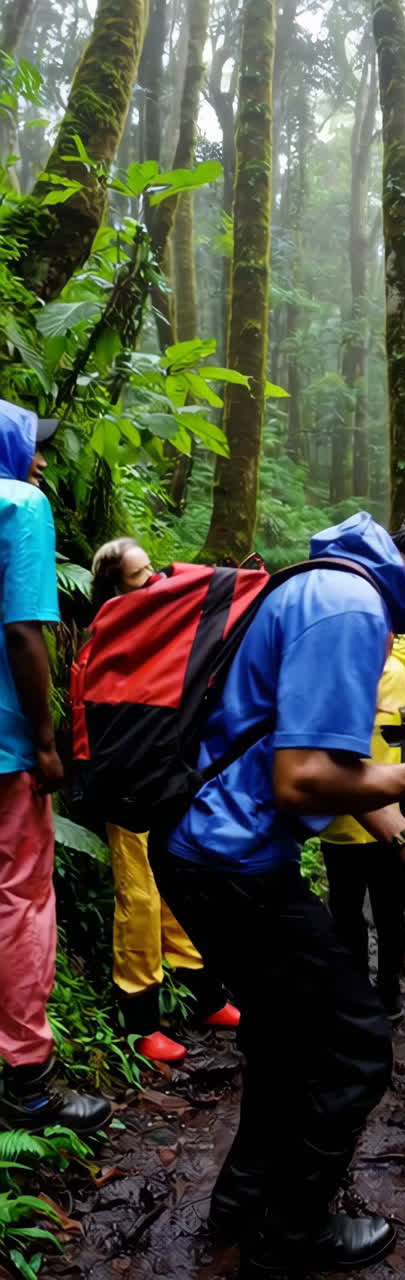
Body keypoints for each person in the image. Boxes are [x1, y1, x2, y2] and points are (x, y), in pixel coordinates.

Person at [148, 466, 405, 1274]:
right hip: (227, 860)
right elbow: (302, 779)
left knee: (283, 1038)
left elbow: (327, 763)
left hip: (216, 851)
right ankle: (294, 1230)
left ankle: (243, 1203)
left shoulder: (343, 590)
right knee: (352, 1042)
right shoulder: (350, 608)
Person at [0, 401, 111, 1133]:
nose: (42, 461)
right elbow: (26, 634)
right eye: (32, 447)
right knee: (21, 899)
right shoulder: (19, 505)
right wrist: (46, 741)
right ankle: (26, 1078)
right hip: (8, 749)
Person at [90, 538, 240, 1063]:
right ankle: (140, 1019)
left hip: (167, 777)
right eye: (139, 576)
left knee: (178, 886)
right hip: (126, 784)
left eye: (152, 569)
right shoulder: (109, 632)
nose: (154, 581)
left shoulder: (166, 623)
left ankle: (203, 997)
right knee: (140, 898)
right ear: (115, 589)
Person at [320, 635, 405, 1023]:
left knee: (349, 911)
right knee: (386, 912)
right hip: (384, 820)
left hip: (347, 821)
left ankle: (364, 993)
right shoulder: (398, 673)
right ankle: (385, 993)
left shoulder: (334, 674)